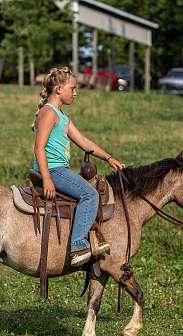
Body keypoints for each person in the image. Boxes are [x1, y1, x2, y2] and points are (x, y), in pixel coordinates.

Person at [32, 66, 125, 267]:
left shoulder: (61, 116)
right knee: (90, 194)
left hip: (58, 170)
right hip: (54, 170)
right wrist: (47, 178)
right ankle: (78, 246)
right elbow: (39, 148)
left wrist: (108, 158)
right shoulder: (49, 113)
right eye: (72, 88)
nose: (75, 92)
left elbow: (84, 142)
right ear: (58, 89)